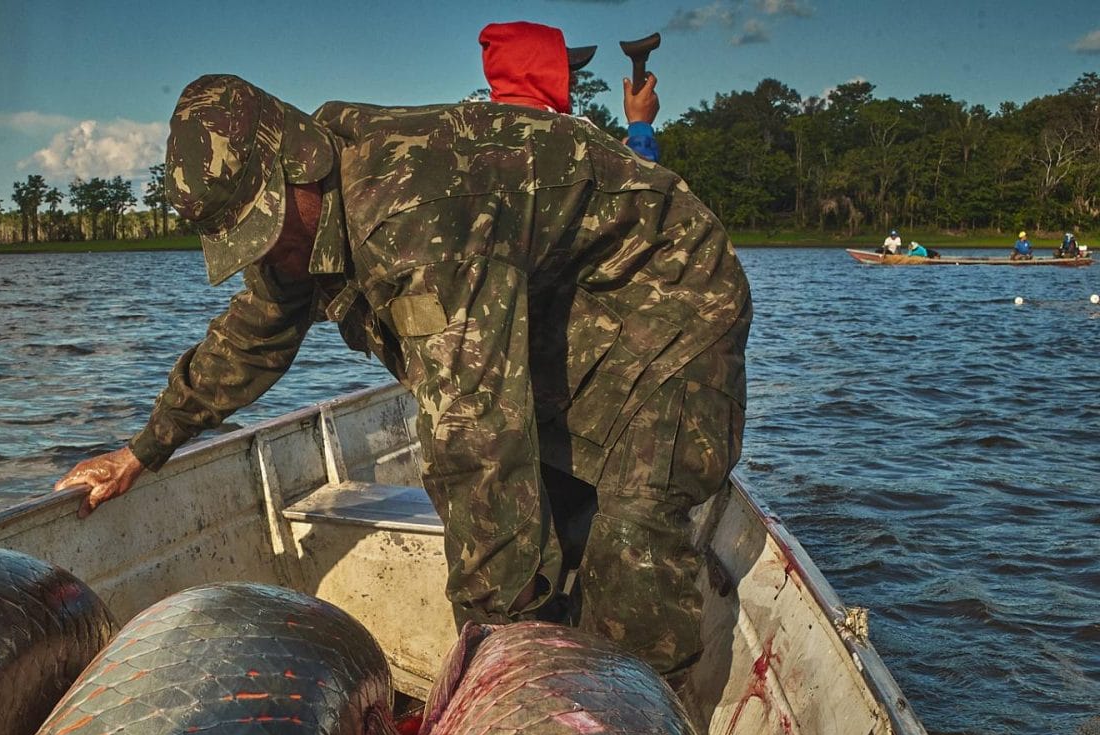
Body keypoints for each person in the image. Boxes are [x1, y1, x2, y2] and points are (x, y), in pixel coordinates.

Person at [55, 75, 749, 687]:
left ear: (301, 162)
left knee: (629, 545)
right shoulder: (298, 227)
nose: (266, 250)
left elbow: (475, 446)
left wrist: (486, 661)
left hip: (671, 303)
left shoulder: (415, 209)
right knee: (552, 526)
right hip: (556, 315)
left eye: (264, 225)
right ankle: (554, 675)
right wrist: (147, 447)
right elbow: (251, 335)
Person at [478, 21, 660, 163]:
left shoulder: (470, 136)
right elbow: (642, 194)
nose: (573, 79)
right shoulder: (579, 138)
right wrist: (640, 126)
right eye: (562, 69)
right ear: (539, 73)